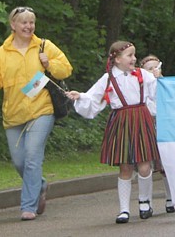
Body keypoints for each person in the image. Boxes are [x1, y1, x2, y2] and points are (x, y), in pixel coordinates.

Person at [0, 6, 73, 221]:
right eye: (24, 22)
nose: (28, 26)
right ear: (13, 25)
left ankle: (28, 206)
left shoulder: (44, 46)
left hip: (42, 110)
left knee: (31, 157)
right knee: (19, 162)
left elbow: (66, 68)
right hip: (13, 115)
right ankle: (40, 185)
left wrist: (51, 64)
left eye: (32, 22)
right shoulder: (0, 53)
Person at [66, 41, 160, 224]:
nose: (134, 59)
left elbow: (156, 94)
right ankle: (124, 209)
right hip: (121, 121)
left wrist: (158, 79)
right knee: (125, 166)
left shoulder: (144, 76)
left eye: (134, 55)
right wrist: (80, 96)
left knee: (144, 164)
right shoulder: (109, 78)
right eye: (129, 55)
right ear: (116, 59)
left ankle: (144, 202)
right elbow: (93, 96)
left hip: (142, 118)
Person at [139, 55, 175, 213]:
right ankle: (146, 202)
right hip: (146, 127)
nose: (153, 71)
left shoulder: (165, 86)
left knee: (165, 166)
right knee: (146, 166)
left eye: (156, 67)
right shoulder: (140, 88)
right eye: (149, 69)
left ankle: (170, 198)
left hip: (163, 127)